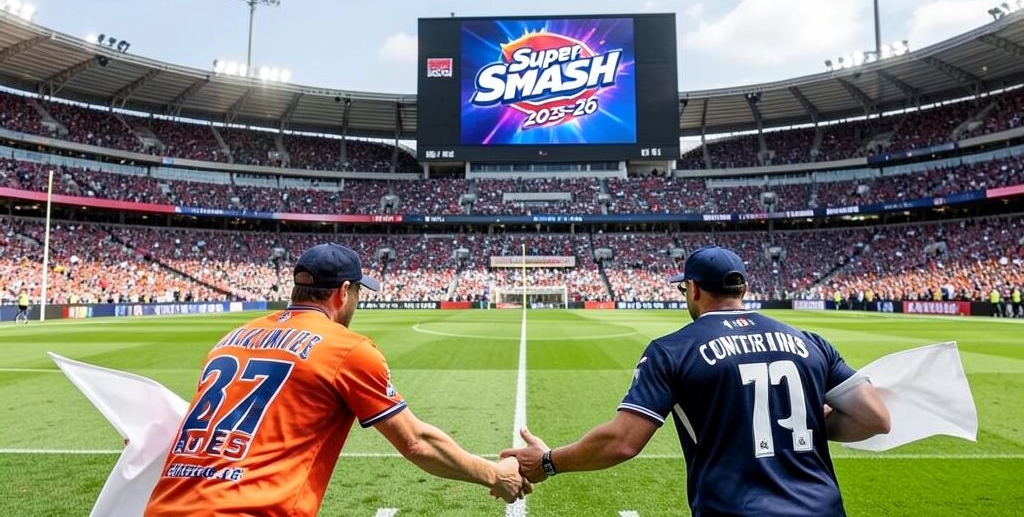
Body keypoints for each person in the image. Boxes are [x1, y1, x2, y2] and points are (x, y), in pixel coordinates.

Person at [502, 246, 891, 517]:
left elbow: (622, 442)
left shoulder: (673, 350)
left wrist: (548, 463)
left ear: (694, 289)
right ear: (744, 289)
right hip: (824, 509)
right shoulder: (810, 342)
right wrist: (799, 420)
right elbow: (875, 419)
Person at [145, 243, 528, 517]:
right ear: (344, 292)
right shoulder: (346, 348)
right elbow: (417, 442)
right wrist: (496, 474)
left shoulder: (231, 337)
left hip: (163, 506)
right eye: (359, 292)